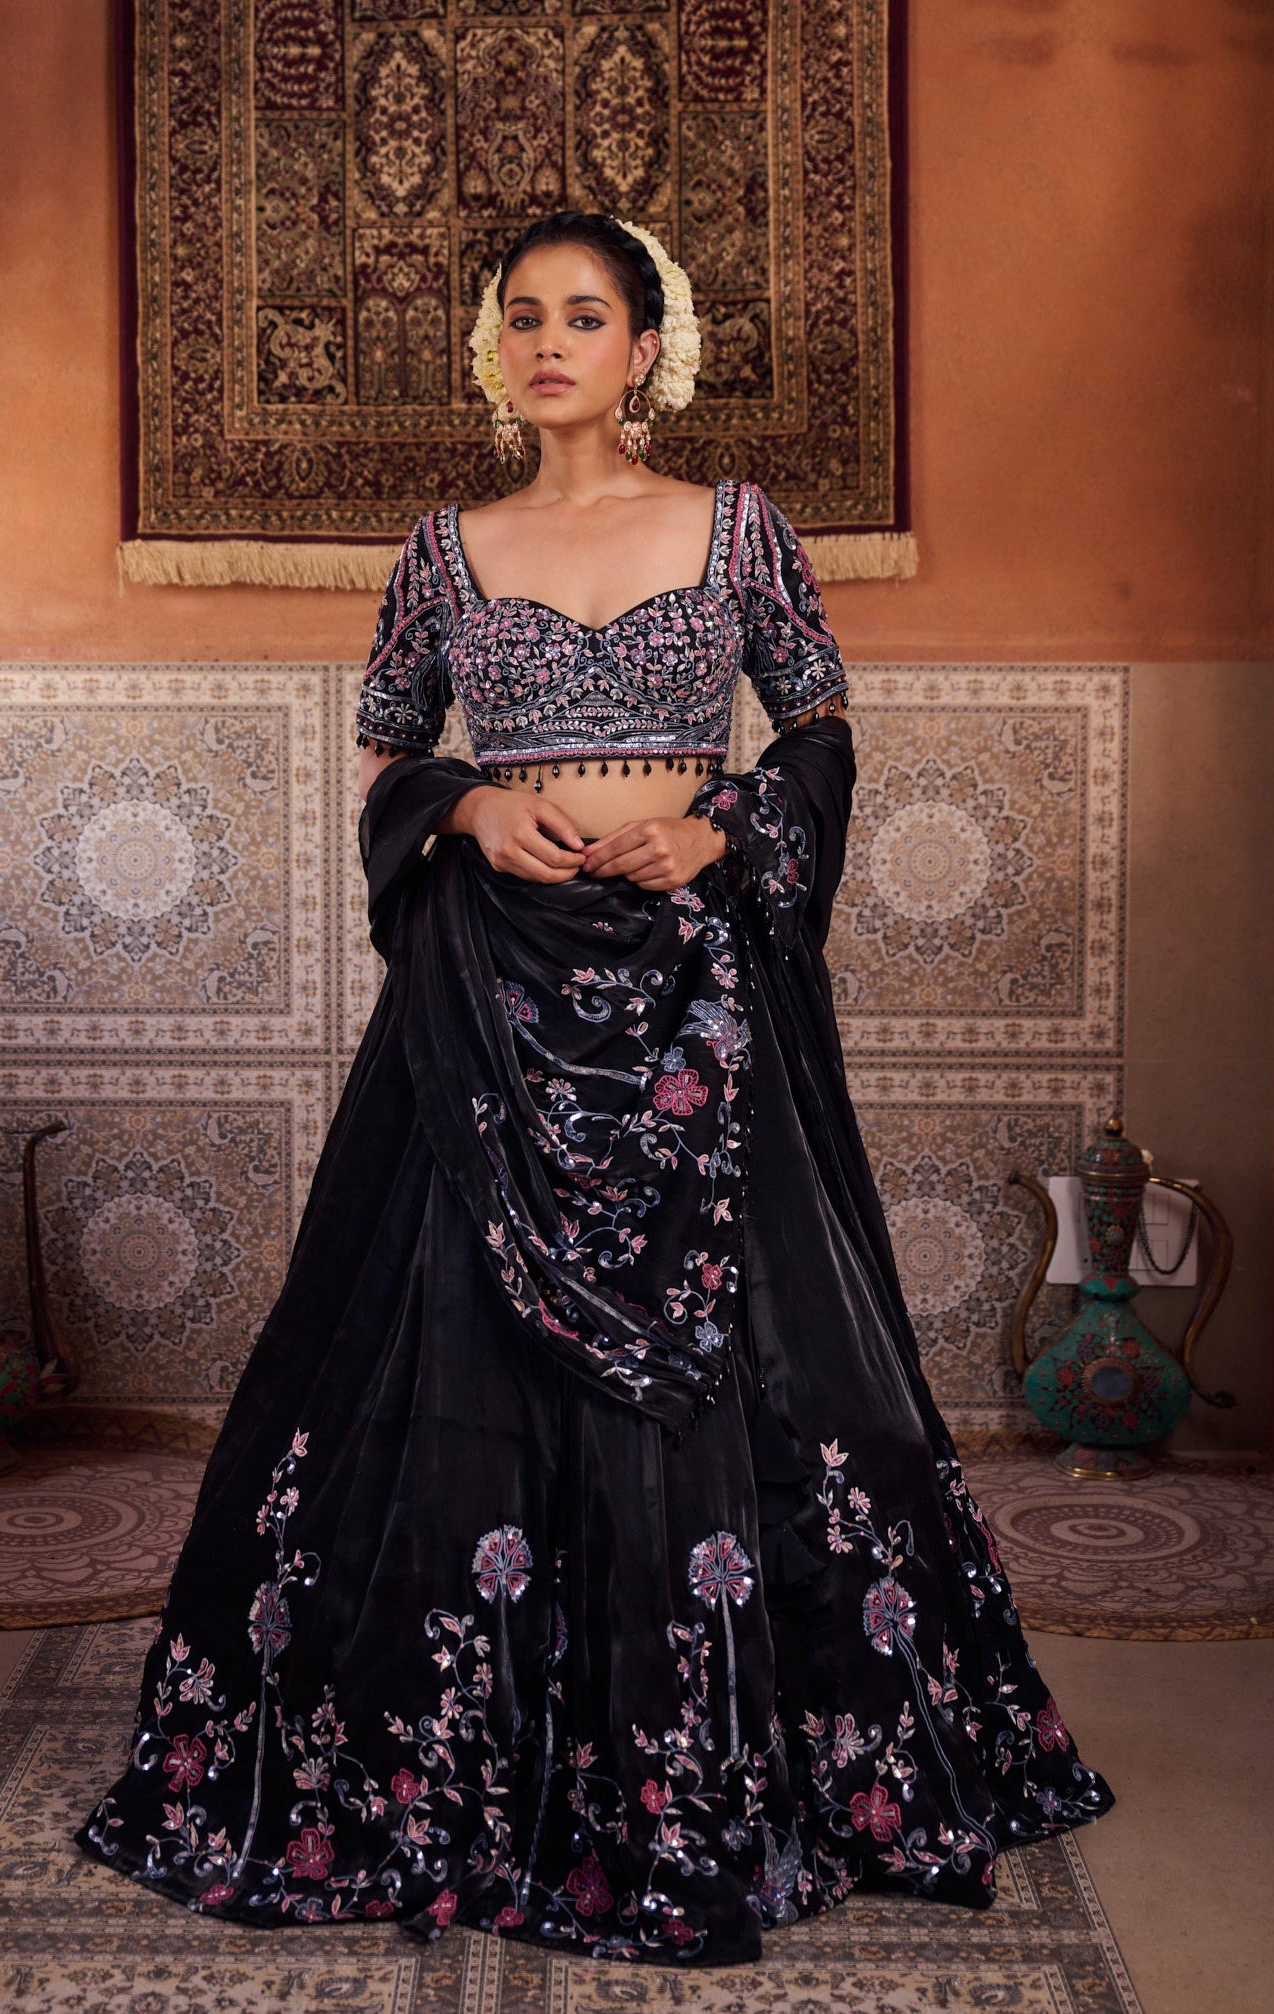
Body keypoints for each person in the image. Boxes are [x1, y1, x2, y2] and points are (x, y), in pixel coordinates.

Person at [75, 211, 1114, 1967]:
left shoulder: (738, 527)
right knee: (441, 1360)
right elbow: (391, 755)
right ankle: (463, 1756)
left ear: (646, 349)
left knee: (769, 1364)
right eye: (521, 318)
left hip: (699, 991)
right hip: (490, 1000)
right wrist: (473, 807)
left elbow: (820, 731)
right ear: (495, 352)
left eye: (584, 316)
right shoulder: (442, 550)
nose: (547, 342)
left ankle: (719, 1752)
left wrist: (722, 826)